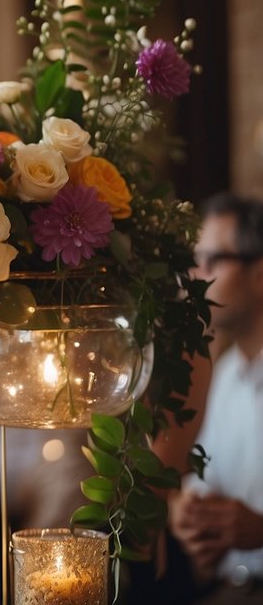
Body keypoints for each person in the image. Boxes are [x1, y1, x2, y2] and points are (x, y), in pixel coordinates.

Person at [169, 193, 263, 603]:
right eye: (193, 261)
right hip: (227, 589)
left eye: (211, 261)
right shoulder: (227, 373)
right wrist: (185, 515)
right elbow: (203, 484)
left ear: (260, 272)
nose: (195, 276)